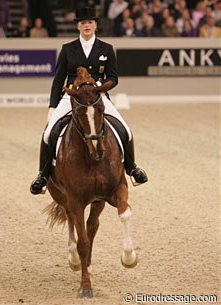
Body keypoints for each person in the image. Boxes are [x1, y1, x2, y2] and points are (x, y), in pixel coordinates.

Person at [30, 6, 148, 195]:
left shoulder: (107, 49)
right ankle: (42, 176)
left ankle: (132, 168)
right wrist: (53, 106)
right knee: (47, 134)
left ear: (95, 25)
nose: (87, 25)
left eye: (90, 22)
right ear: (78, 26)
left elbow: (114, 77)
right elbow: (58, 80)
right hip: (71, 97)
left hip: (99, 98)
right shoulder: (68, 49)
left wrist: (102, 86)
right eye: (83, 23)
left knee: (125, 130)